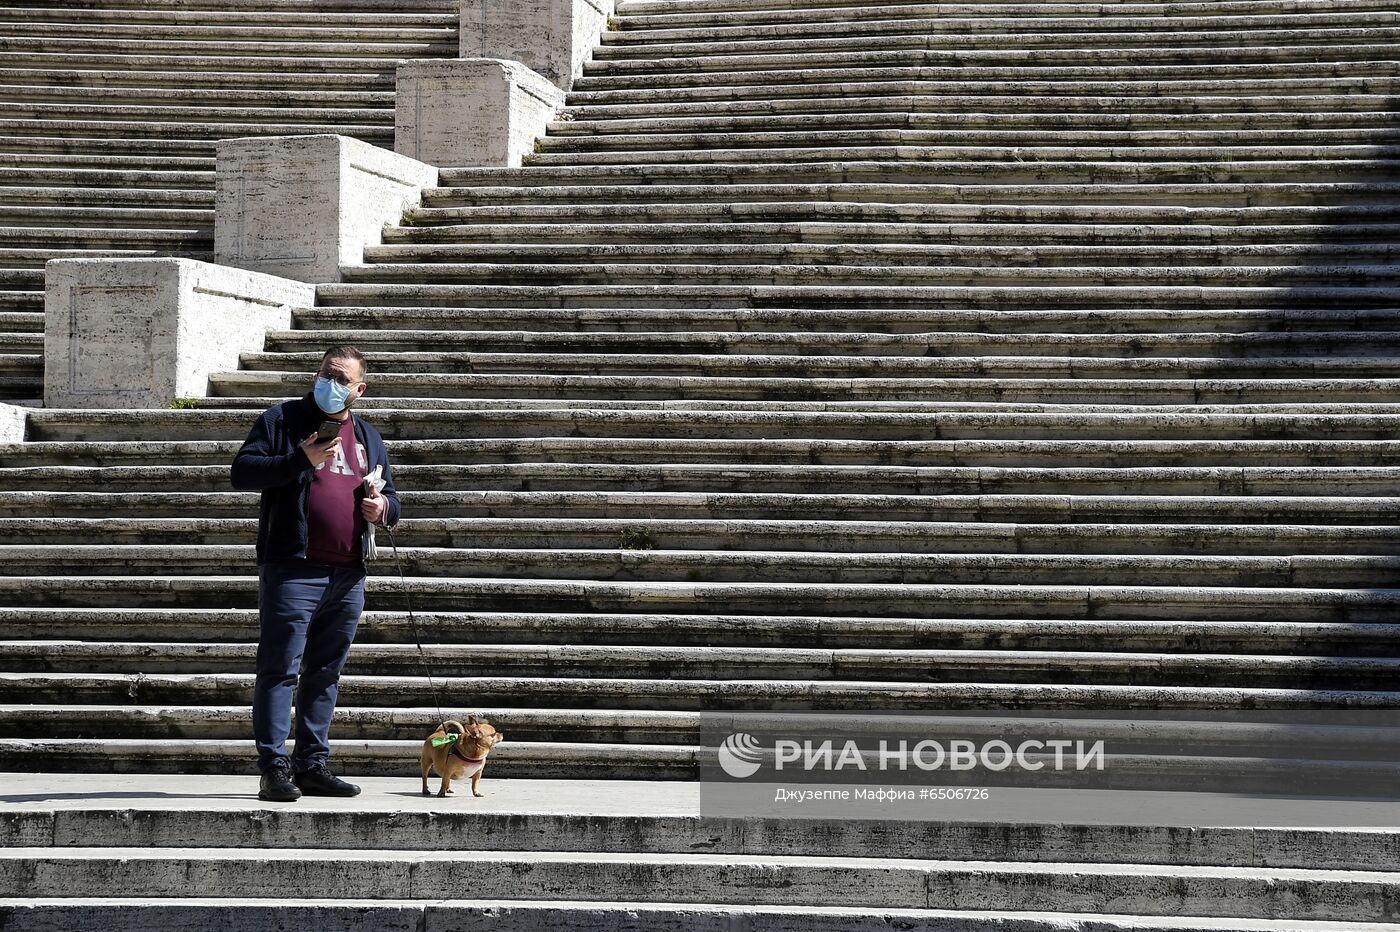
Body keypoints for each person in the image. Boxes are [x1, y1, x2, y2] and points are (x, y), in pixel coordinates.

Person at [230, 345, 401, 802]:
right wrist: (298, 461)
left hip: (348, 572)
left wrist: (383, 507)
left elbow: (395, 500)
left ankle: (312, 763)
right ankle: (274, 767)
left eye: (344, 379)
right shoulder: (282, 420)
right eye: (328, 373)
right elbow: (242, 472)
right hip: (294, 568)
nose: (333, 383)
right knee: (280, 669)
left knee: (325, 671)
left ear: (359, 390)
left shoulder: (367, 436)